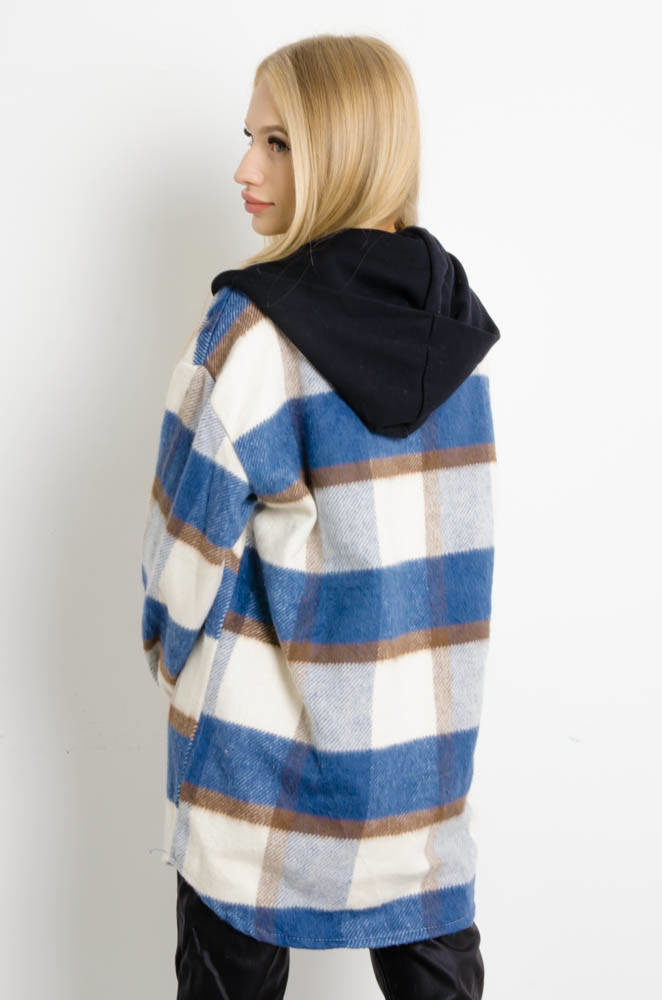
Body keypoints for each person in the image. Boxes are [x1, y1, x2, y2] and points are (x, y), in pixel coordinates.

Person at [140, 32, 500, 999]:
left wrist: (167, 658)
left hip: (255, 775)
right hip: (420, 777)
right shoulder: (456, 334)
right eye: (249, 139)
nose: (244, 169)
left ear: (344, 150)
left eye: (278, 142)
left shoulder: (251, 333)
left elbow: (182, 557)